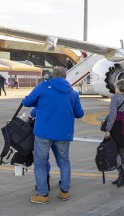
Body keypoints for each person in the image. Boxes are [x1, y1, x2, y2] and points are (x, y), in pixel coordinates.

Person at [22, 66, 84, 204]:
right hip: (63, 133)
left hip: (44, 132)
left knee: (40, 163)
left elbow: (26, 102)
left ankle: (43, 194)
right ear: (65, 77)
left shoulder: (44, 86)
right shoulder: (73, 93)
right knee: (64, 161)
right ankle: (64, 192)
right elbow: (80, 114)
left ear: (52, 75)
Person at [103, 79, 124, 187]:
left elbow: (112, 115)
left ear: (119, 87)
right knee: (122, 153)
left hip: (117, 128)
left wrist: (108, 130)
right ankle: (122, 177)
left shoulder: (115, 98)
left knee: (114, 152)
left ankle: (122, 174)